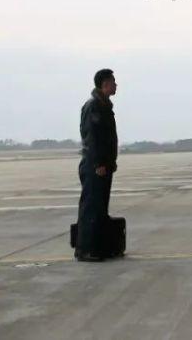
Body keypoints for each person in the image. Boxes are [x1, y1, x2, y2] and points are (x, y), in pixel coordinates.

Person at [76, 68, 119, 262]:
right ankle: (84, 250)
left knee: (100, 208)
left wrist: (110, 163)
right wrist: (99, 163)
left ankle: (98, 247)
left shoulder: (104, 106)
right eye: (113, 82)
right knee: (90, 208)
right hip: (95, 166)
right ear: (104, 84)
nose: (116, 85)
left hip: (105, 166)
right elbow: (91, 138)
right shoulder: (93, 106)